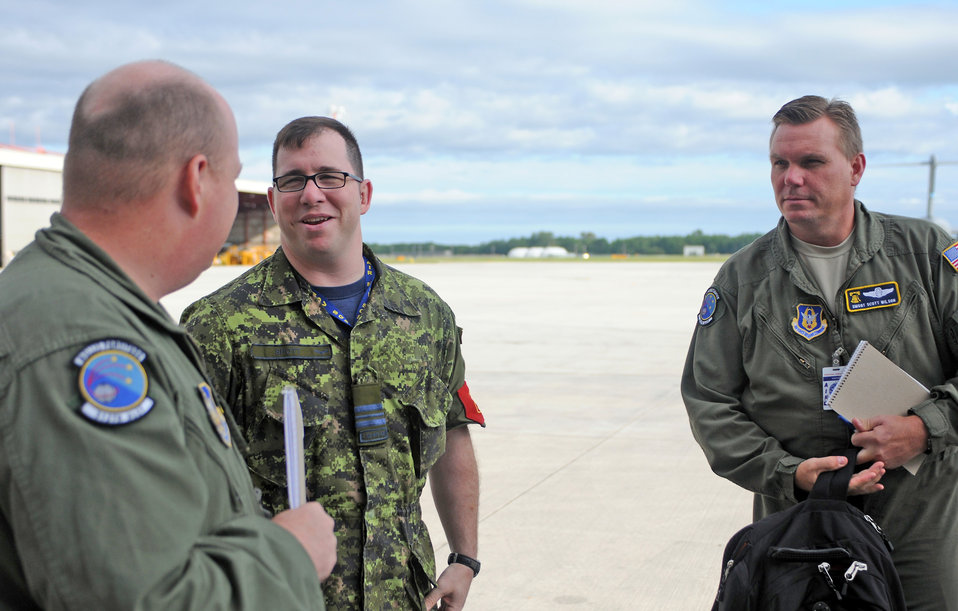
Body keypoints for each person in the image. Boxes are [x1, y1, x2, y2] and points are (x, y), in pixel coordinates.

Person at [0, 60, 337, 609]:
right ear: (195, 180)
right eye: (231, 179)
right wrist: (290, 554)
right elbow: (140, 598)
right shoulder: (79, 341)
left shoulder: (99, 307)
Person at [181, 116, 485, 610]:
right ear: (275, 198)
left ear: (363, 195)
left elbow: (452, 434)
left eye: (329, 176)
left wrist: (465, 559)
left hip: (406, 598)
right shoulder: (219, 326)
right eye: (292, 180)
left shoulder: (425, 315)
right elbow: (178, 478)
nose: (311, 193)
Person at [682, 94, 958, 610]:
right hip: (797, 525)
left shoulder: (926, 255)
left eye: (811, 162)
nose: (792, 178)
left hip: (920, 527)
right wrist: (789, 473)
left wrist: (926, 428)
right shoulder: (743, 278)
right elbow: (709, 401)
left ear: (855, 168)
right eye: (779, 163)